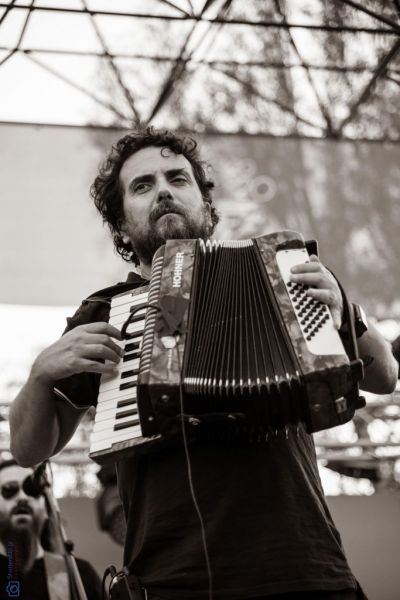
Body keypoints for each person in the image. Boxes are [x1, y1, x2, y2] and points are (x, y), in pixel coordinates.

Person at [9, 128, 398, 600]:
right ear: (122, 227)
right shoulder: (103, 315)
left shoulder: (289, 276)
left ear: (206, 207)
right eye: (143, 185)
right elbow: (29, 449)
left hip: (305, 566)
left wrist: (347, 311)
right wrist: (40, 375)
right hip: (171, 579)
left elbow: (385, 376)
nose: (164, 191)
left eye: (177, 178)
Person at [0, 459, 102, 600]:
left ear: (47, 509)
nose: (23, 497)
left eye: (32, 491)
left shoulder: (80, 575)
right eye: (9, 489)